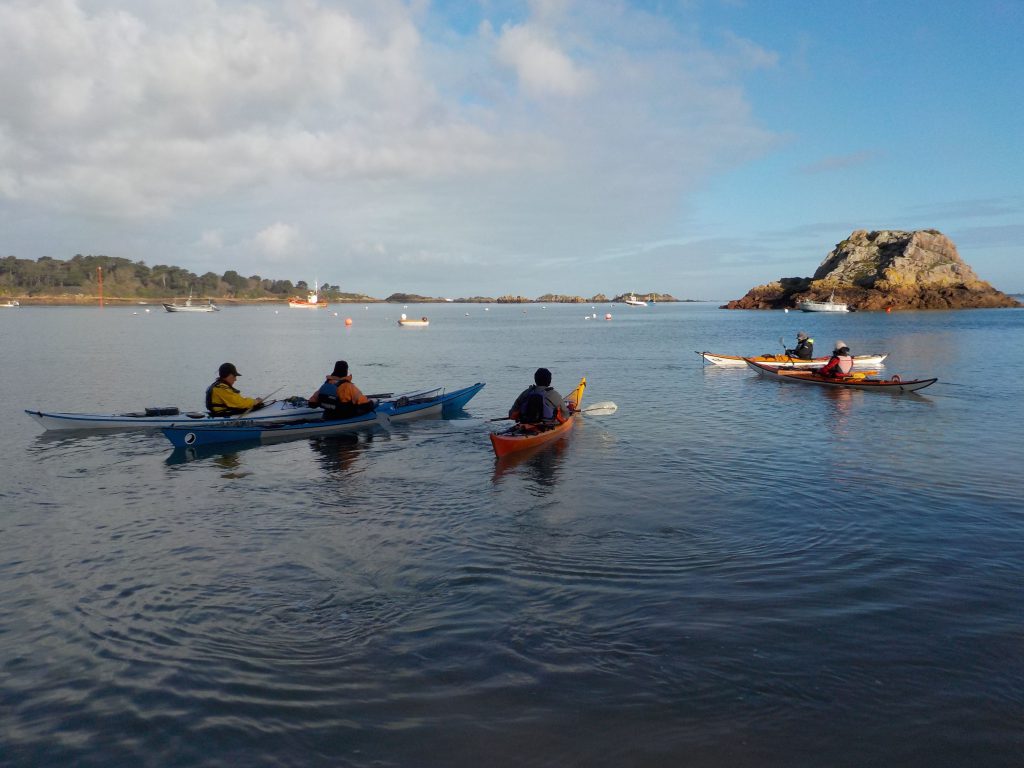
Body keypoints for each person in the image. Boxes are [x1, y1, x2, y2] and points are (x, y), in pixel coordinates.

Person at [308, 360, 375, 420]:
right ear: (346, 370)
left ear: (334, 369)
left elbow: (311, 403)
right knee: (368, 405)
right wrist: (371, 403)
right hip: (344, 417)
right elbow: (364, 403)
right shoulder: (349, 386)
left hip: (327, 416)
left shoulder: (327, 384)